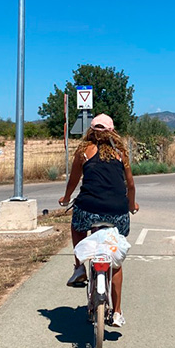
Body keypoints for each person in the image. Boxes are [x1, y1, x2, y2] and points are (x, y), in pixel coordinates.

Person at [58, 113, 138, 328]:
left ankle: (79, 267)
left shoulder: (83, 152)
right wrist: (132, 205)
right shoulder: (121, 154)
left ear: (91, 131)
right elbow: (130, 186)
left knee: (76, 227)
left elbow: (73, 181)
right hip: (117, 212)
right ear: (112, 131)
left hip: (89, 208)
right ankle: (118, 312)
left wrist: (65, 199)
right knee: (116, 261)